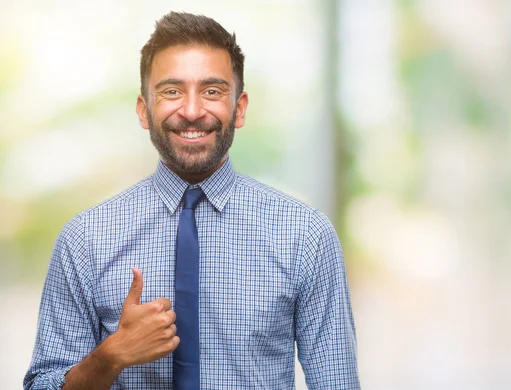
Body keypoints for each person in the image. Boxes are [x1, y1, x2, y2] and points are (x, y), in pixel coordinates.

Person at [24, 11, 359, 390]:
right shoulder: (84, 240)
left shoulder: (305, 235)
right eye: (171, 91)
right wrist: (111, 355)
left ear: (240, 107)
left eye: (212, 91)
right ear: (143, 110)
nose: (192, 110)